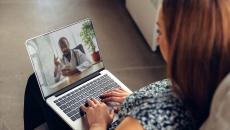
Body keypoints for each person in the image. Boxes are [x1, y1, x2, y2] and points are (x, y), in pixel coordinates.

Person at [24, 0, 230, 130]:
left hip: (103, 121)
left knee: (36, 84)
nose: (158, 41)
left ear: (181, 43)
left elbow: (84, 65)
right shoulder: (210, 81)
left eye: (160, 32)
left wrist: (97, 123)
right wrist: (135, 99)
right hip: (121, 106)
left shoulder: (146, 120)